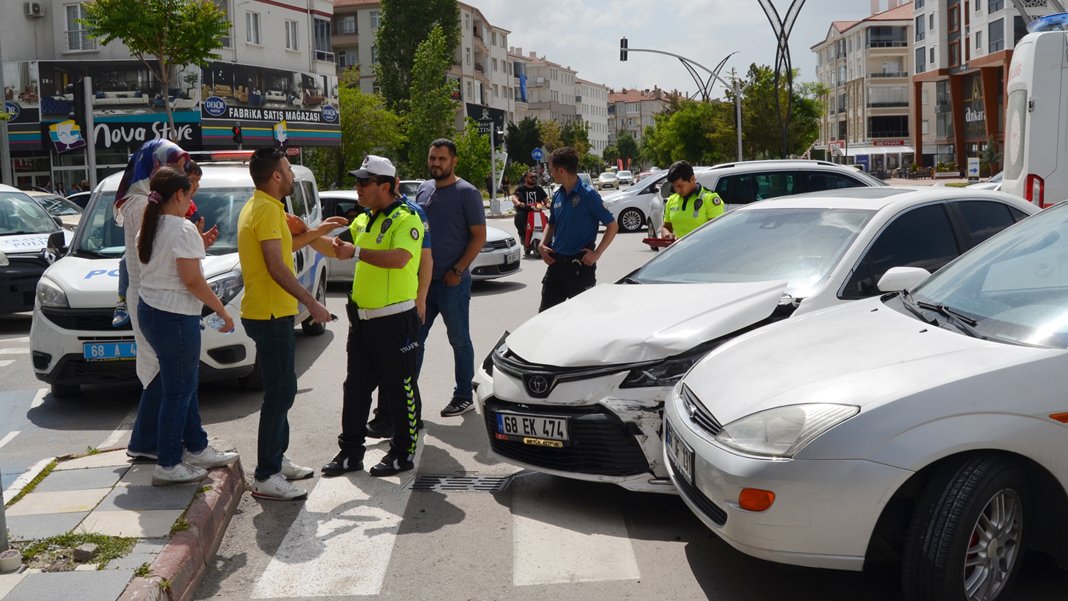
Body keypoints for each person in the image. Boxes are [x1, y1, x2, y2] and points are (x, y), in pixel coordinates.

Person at [237, 147, 337, 500]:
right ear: (276, 176)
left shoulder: (266, 206)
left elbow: (286, 248)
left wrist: (317, 232)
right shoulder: (264, 210)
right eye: (289, 170)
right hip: (269, 314)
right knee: (280, 392)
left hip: (272, 312)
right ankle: (266, 475)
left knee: (283, 389)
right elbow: (275, 266)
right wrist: (312, 302)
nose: (293, 176)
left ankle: (276, 459)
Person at [323, 155, 425, 477]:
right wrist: (308, 236)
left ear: (386, 186)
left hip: (395, 320)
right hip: (362, 321)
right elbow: (338, 247)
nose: (357, 187)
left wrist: (354, 252)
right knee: (355, 388)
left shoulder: (407, 218)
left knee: (399, 388)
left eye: (364, 182)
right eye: (357, 181)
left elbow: (399, 259)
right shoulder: (365, 219)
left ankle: (402, 452)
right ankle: (350, 451)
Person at [135, 166, 239, 485]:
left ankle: (196, 447)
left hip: (152, 311)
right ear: (179, 194)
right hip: (175, 316)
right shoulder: (181, 229)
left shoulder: (150, 227)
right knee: (179, 390)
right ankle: (168, 463)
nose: (191, 200)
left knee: (184, 384)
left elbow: (173, 267)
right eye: (189, 194)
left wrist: (199, 246)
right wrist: (222, 310)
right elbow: (192, 280)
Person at [123, 140, 218, 462]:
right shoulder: (144, 209)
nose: (191, 188)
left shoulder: (156, 215)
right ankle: (160, 450)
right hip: (164, 306)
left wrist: (195, 241)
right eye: (186, 181)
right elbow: (187, 276)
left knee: (174, 378)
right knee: (170, 382)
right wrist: (220, 309)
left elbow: (162, 252)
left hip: (153, 302)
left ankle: (192, 443)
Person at [414, 139, 487, 418]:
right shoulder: (424, 188)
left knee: (459, 339)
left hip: (452, 282)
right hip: (423, 283)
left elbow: (478, 236)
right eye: (432, 158)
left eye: (442, 159)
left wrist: (457, 270)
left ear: (453, 161)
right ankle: (409, 396)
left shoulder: (466, 193)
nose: (436, 163)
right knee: (414, 339)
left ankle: (463, 396)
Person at [537, 147, 619, 312]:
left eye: (551, 169)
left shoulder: (588, 195)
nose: (550, 173)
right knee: (546, 317)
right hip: (556, 264)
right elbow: (551, 223)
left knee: (583, 318)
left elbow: (612, 225)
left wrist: (597, 253)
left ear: (561, 170)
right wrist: (542, 244)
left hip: (579, 267)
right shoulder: (558, 194)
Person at [661, 160, 723, 239]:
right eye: (674, 186)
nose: (677, 190)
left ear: (692, 179)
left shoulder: (710, 199)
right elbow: (665, 227)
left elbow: (716, 232)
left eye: (680, 186)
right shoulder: (671, 200)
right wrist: (667, 234)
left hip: (703, 250)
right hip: (678, 250)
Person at [511, 170, 548, 248]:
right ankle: (522, 235)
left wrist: (548, 204)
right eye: (531, 177)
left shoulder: (539, 189)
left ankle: (547, 239)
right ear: (526, 178)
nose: (533, 179)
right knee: (519, 217)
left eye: (535, 177)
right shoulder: (521, 188)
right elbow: (514, 197)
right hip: (525, 211)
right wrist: (518, 203)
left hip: (537, 210)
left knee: (547, 220)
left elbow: (546, 199)